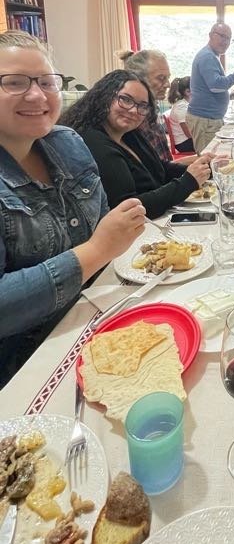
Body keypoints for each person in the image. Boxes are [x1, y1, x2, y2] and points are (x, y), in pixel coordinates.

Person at [0, 32, 146, 384]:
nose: (36, 95)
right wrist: (95, 250)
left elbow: (110, 228)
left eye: (47, 82)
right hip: (28, 364)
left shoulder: (67, 143)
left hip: (99, 317)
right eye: (15, 82)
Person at [64, 70, 211, 218]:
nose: (134, 110)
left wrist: (203, 169)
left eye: (142, 106)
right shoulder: (94, 141)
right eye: (126, 100)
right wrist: (188, 182)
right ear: (105, 97)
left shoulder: (129, 134)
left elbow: (160, 169)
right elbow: (128, 208)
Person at [186, 22, 234, 153]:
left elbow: (211, 88)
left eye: (228, 38)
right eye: (222, 36)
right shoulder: (207, 56)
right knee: (208, 159)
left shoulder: (212, 56)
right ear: (211, 35)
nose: (225, 41)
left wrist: (231, 96)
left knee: (214, 156)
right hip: (205, 119)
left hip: (208, 118)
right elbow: (215, 85)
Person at [119, 49, 173, 163]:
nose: (168, 84)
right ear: (138, 78)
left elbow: (162, 167)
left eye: (168, 78)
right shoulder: (131, 117)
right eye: (161, 78)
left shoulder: (153, 107)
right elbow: (153, 173)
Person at [167, 76, 193, 153]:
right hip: (184, 143)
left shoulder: (185, 103)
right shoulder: (181, 107)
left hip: (187, 140)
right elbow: (189, 134)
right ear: (188, 91)